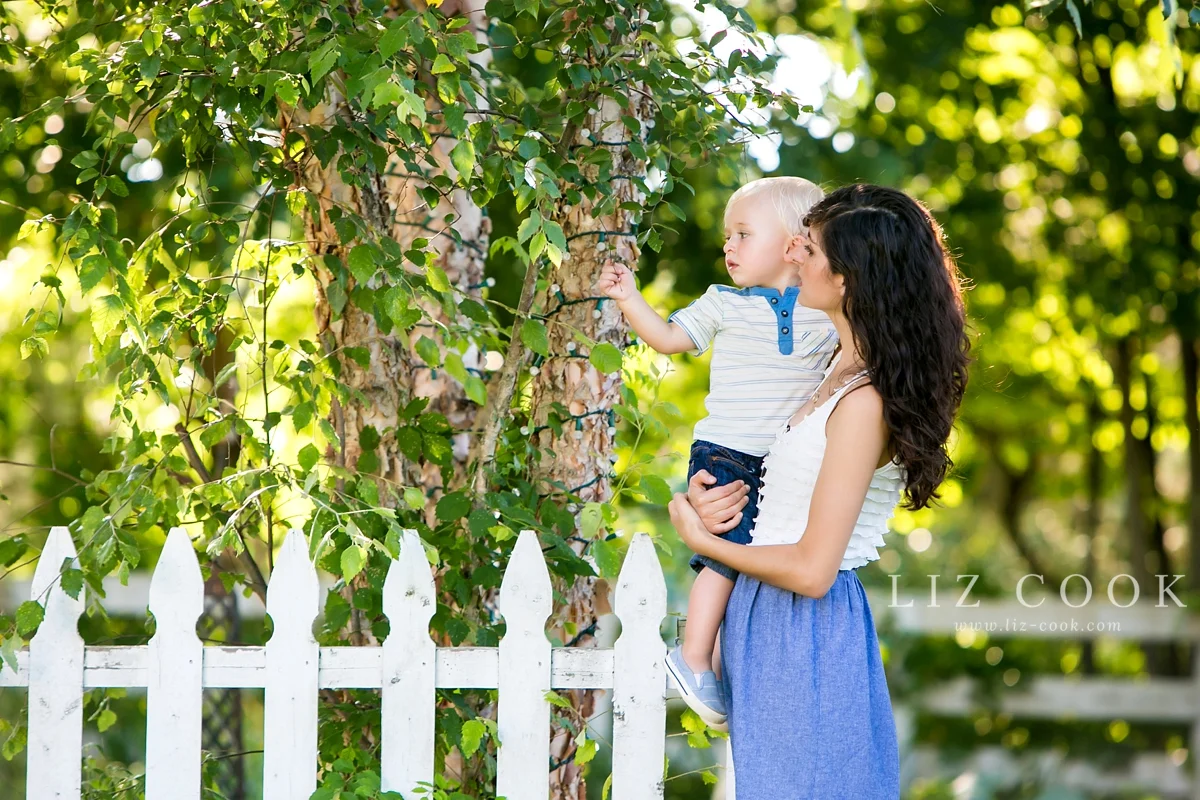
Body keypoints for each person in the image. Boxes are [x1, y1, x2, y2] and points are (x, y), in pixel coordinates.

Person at [667, 184, 971, 797]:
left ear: (849, 277)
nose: (793, 254)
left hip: (803, 628)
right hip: (767, 617)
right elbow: (779, 490)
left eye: (808, 248)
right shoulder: (829, 364)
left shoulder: (865, 402)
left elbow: (812, 570)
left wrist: (704, 541)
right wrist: (713, 500)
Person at [596, 176, 838, 730]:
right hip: (728, 450)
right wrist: (629, 298)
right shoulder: (723, 303)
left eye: (743, 234)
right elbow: (667, 339)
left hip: (784, 462)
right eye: (728, 235)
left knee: (760, 555)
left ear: (794, 245)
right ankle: (694, 655)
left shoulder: (825, 311)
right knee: (726, 554)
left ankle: (727, 658)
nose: (728, 246)